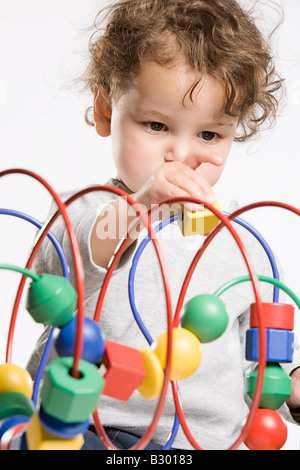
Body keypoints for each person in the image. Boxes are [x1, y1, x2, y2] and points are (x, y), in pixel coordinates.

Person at [27, 0, 300, 450]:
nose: (180, 154)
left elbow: (268, 365)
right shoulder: (90, 209)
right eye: (156, 125)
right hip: (88, 429)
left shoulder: (246, 247)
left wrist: (293, 381)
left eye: (209, 135)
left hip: (205, 442)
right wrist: (141, 206)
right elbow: (70, 260)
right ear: (104, 111)